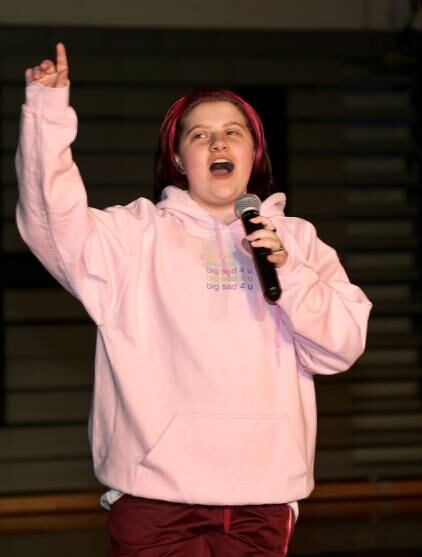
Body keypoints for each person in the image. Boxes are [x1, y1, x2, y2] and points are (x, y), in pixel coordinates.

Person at [16, 43, 372, 556]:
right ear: (180, 159)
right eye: (200, 135)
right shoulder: (134, 236)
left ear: (254, 152)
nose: (218, 143)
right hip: (157, 499)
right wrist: (46, 115)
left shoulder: (297, 241)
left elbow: (341, 346)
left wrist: (288, 274)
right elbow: (51, 222)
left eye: (233, 133)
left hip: (262, 500)